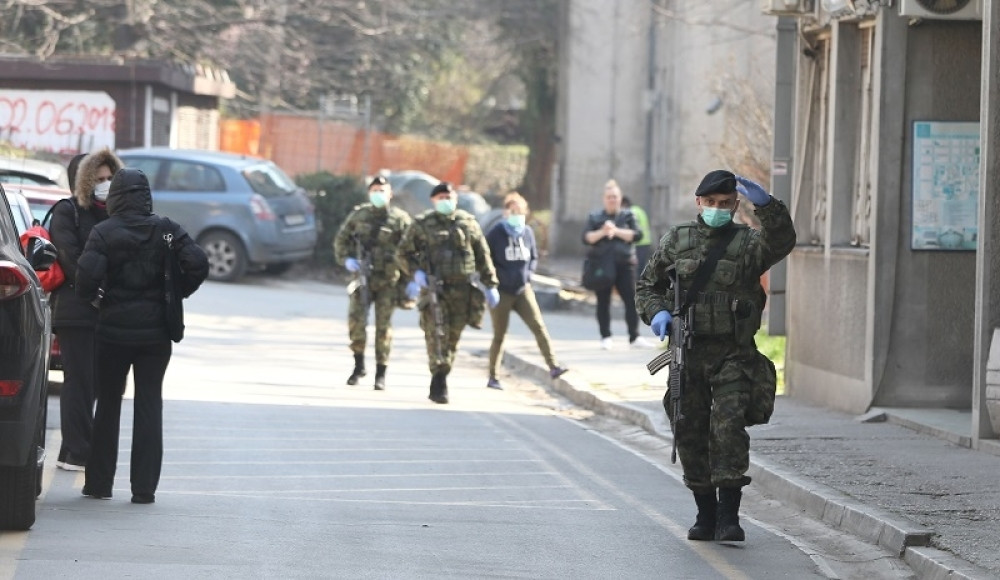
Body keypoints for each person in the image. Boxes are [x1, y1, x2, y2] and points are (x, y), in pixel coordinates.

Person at [635, 169, 795, 542]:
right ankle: (704, 511)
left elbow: (782, 241)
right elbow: (648, 284)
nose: (717, 209)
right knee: (688, 426)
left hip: (733, 354)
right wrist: (657, 312)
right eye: (711, 203)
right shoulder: (678, 239)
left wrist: (768, 206)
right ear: (699, 203)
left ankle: (729, 515)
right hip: (688, 353)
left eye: (725, 204)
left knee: (727, 429)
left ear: (735, 204)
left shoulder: (749, 244)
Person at [76, 168, 209, 503]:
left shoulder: (104, 233)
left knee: (107, 404)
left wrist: (100, 299)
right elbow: (198, 264)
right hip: (155, 336)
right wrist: (175, 294)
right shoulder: (166, 230)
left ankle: (99, 484)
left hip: (112, 334)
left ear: (116, 196)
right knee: (150, 403)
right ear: (146, 195)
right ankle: (144, 489)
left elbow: (85, 284)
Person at [49, 148, 123, 471]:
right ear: (84, 181)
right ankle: (80, 451)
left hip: (105, 311)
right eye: (99, 179)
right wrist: (96, 287)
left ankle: (72, 449)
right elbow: (70, 256)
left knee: (94, 383)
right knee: (79, 380)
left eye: (110, 178)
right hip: (76, 309)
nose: (105, 184)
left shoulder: (115, 213)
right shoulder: (69, 212)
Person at [398, 181, 500, 404]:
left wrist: (491, 284)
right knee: (436, 333)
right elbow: (403, 253)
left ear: (455, 199)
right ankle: (438, 378)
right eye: (441, 198)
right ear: (433, 201)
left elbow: (482, 255)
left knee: (453, 337)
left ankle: (442, 372)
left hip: (463, 291)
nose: (446, 201)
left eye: (449, 197)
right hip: (435, 289)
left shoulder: (468, 223)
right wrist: (415, 274)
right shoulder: (422, 224)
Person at [332, 176, 413, 390]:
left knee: (383, 328)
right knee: (356, 322)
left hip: (388, 281)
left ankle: (381, 373)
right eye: (374, 190)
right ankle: (358, 366)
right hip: (362, 279)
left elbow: (413, 249)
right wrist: (347, 259)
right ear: (369, 193)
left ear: (390, 194)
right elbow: (342, 240)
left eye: (382, 190)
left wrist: (410, 279)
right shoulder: (359, 215)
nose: (378, 194)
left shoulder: (400, 219)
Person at [484, 192, 567, 390]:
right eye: (512, 211)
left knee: (538, 326)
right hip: (502, 291)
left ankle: (553, 365)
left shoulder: (527, 232)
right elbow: (485, 258)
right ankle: (493, 376)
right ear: (505, 212)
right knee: (500, 334)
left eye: (520, 211)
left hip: (522, 289)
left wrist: (529, 274)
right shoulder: (497, 233)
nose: (516, 215)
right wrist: (489, 283)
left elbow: (534, 257)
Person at [581, 179, 652, 350]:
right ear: (604, 199)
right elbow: (586, 238)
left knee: (631, 300)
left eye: (615, 196)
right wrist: (603, 231)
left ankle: (634, 336)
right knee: (603, 301)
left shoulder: (628, 215)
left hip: (625, 264)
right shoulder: (595, 217)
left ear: (620, 198)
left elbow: (637, 235)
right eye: (609, 197)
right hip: (602, 265)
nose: (612, 200)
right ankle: (605, 336)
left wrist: (616, 231)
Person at [622, 196, 652, 275]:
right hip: (646, 241)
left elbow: (631, 227)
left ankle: (637, 284)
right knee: (641, 266)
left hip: (639, 242)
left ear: (624, 204)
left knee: (637, 267)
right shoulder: (639, 209)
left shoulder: (631, 212)